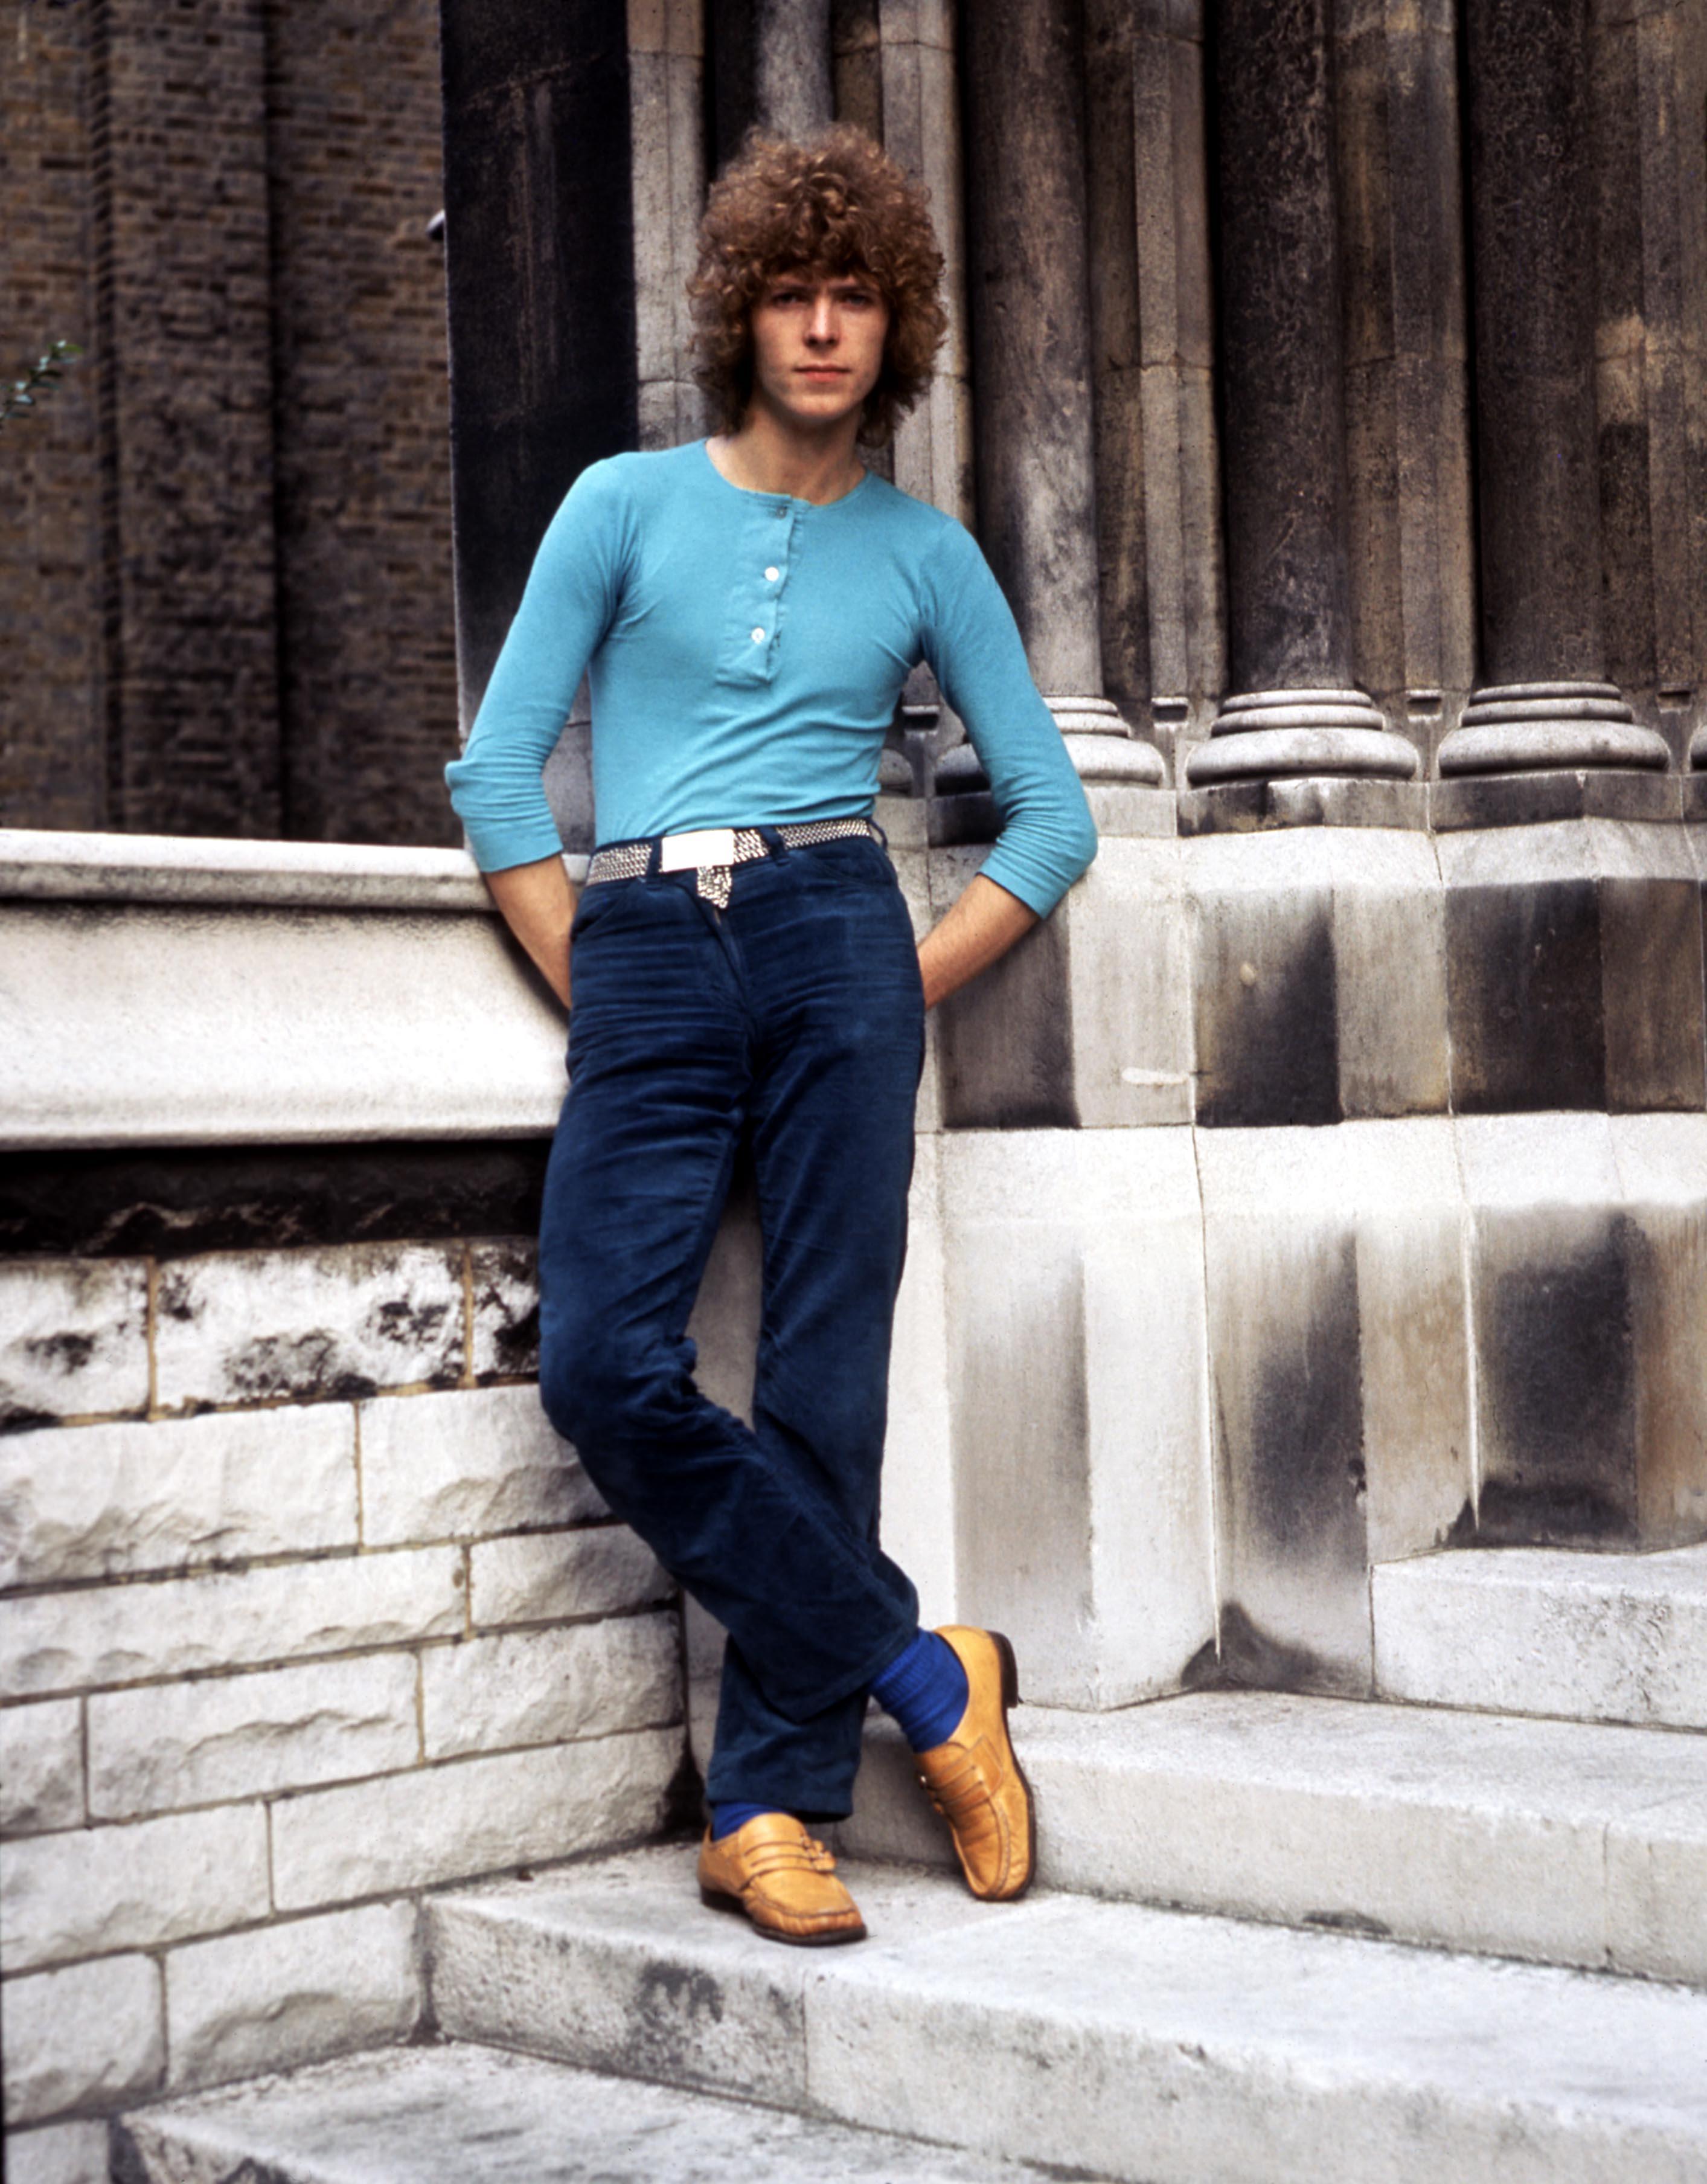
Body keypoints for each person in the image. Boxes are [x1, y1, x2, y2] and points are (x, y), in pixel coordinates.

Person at [447, 126, 1097, 1947]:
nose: (823, 328)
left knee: (821, 1386)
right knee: (604, 1366)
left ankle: (769, 1812)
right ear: (742, 313)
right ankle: (925, 1669)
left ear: (901, 329)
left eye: (856, 297)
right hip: (649, 927)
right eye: (794, 295)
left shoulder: (926, 555)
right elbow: (501, 775)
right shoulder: (619, 504)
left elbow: (1050, 820)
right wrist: (616, 972)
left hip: (836, 939)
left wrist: (901, 977)